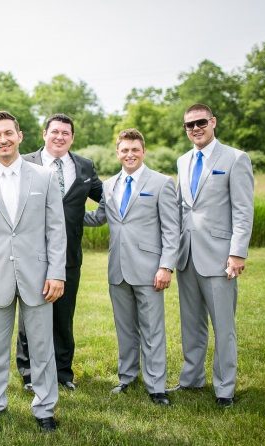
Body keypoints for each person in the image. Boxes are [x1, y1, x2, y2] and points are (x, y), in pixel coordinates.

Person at [0, 111, 66, 432]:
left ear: (19, 136)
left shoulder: (45, 177)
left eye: (8, 133)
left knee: (42, 348)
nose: (3, 139)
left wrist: (57, 273)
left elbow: (56, 229)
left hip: (39, 276)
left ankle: (45, 409)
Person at [167, 104, 254, 408]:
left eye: (201, 122)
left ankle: (225, 388)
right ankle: (192, 378)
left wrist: (237, 253)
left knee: (223, 326)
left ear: (213, 122)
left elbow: (243, 210)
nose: (195, 129)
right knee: (191, 323)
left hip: (220, 256)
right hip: (187, 255)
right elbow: (182, 208)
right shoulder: (183, 161)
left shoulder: (235, 158)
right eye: (189, 125)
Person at [83, 128, 178, 406]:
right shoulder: (109, 185)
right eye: (124, 150)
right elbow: (98, 217)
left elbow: (172, 229)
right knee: (125, 328)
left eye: (135, 149)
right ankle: (127, 377)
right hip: (118, 269)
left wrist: (166, 266)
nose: (130, 154)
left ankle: (156, 386)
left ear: (143, 151)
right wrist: (64, 213)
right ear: (117, 153)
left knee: (152, 329)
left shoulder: (161, 183)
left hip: (150, 269)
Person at [16, 114, 103, 391]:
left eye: (66, 133)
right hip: (31, 252)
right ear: (44, 134)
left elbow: (108, 195)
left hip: (68, 254)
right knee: (30, 315)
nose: (60, 137)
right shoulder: (24, 162)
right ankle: (29, 373)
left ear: (72, 138)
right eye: (54, 131)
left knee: (64, 316)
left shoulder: (85, 166)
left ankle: (63, 373)